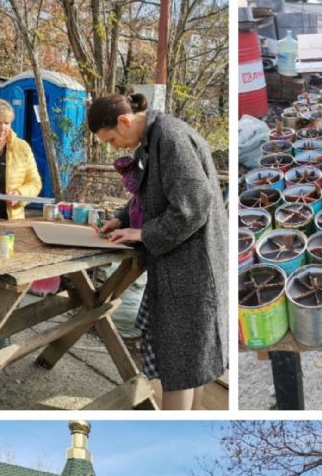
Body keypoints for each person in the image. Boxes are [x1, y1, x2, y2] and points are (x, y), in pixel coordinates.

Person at [88, 92, 228, 411]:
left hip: (191, 269)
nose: (114, 148)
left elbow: (193, 204)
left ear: (125, 121)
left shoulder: (169, 137)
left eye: (111, 139)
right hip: (188, 268)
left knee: (178, 368)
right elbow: (152, 194)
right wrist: (121, 219)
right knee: (194, 364)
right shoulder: (155, 138)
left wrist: (143, 232)